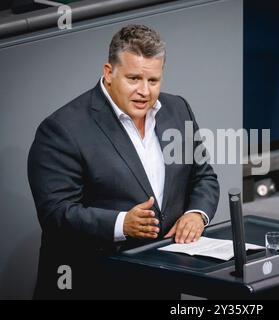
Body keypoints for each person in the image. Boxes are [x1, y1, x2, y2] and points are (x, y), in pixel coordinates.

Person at [27, 24, 220, 299]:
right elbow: (56, 214)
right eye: (133, 79)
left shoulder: (178, 110)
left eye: (153, 81)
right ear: (108, 73)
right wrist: (121, 224)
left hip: (161, 280)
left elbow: (203, 176)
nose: (144, 91)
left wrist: (196, 214)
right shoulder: (62, 130)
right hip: (93, 283)